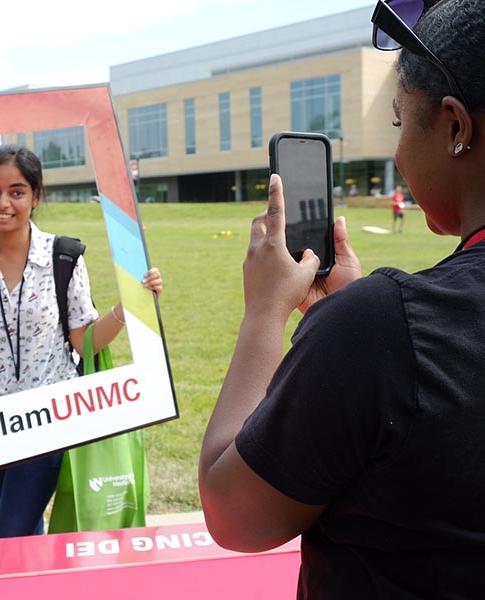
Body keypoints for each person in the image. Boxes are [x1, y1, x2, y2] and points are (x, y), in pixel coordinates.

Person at [199, 0, 485, 596]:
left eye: (401, 123)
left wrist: (263, 316)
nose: (400, 152)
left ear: (456, 127)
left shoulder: (386, 327)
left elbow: (232, 514)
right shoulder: (378, 328)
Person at [0, 144, 162, 538]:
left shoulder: (63, 257)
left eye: (17, 191)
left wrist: (130, 305)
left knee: (12, 531)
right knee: (24, 525)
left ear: (36, 196)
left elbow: (84, 342)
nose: (3, 202)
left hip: (47, 412)